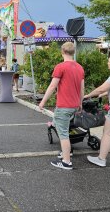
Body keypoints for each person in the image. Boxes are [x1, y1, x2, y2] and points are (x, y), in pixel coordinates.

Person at [39, 42, 84, 170]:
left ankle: (66, 162)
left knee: (63, 133)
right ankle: (67, 152)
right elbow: (82, 88)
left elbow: (53, 86)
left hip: (64, 106)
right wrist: (80, 103)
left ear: (62, 52)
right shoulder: (80, 67)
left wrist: (43, 102)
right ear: (73, 52)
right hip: (74, 105)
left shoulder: (60, 67)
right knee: (66, 129)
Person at [84, 55, 110, 167]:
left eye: (109, 61)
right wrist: (105, 94)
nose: (107, 63)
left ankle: (101, 159)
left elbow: (101, 88)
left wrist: (88, 95)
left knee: (107, 133)